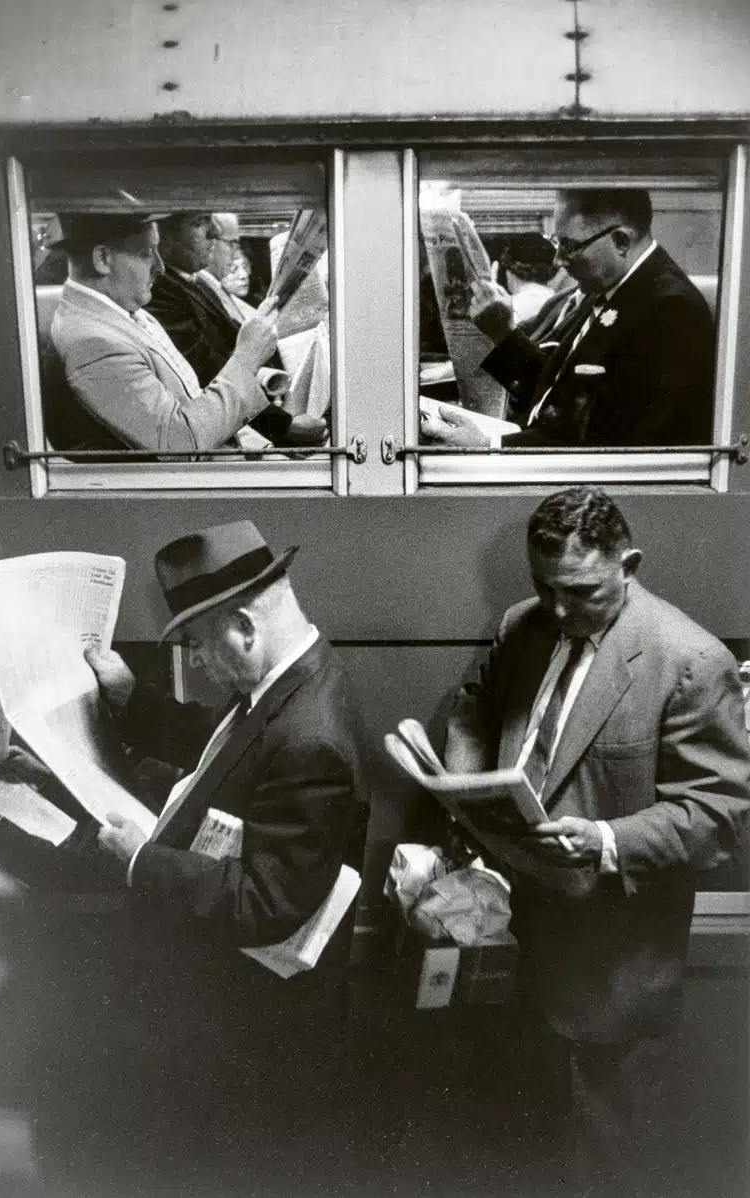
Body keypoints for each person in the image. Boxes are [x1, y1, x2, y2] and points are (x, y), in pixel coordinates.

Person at [0, 520, 370, 1193]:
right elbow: (222, 758)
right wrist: (127, 702)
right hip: (234, 1010)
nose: (201, 665)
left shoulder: (311, 740)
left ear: (244, 624)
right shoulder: (293, 681)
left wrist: (137, 860)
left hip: (251, 1030)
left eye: (201, 647)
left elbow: (266, 902)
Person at [444, 487, 750, 1197]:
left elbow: (723, 813)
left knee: (604, 1171)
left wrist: (608, 839)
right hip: (516, 947)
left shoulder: (689, 661)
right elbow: (473, 705)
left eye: (578, 592)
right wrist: (463, 795)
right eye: (542, 588)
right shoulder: (525, 625)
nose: (557, 611)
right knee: (521, 1158)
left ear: (629, 565)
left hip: (611, 978)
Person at [422, 189, 715, 449]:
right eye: (556, 243)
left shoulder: (670, 311)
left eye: (571, 246)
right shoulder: (609, 288)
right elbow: (556, 397)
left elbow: (609, 445)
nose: (557, 261)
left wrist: (491, 445)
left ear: (622, 241)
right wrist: (502, 335)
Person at [46, 210, 281, 453]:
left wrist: (262, 447)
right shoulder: (93, 344)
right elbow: (181, 443)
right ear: (103, 259)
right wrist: (246, 359)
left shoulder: (122, 311)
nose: (160, 267)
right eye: (147, 253)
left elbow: (191, 399)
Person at [147, 211, 326, 446]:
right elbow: (208, 369)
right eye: (200, 221)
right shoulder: (159, 291)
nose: (216, 231)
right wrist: (282, 427)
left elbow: (229, 346)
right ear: (161, 233)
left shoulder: (196, 283)